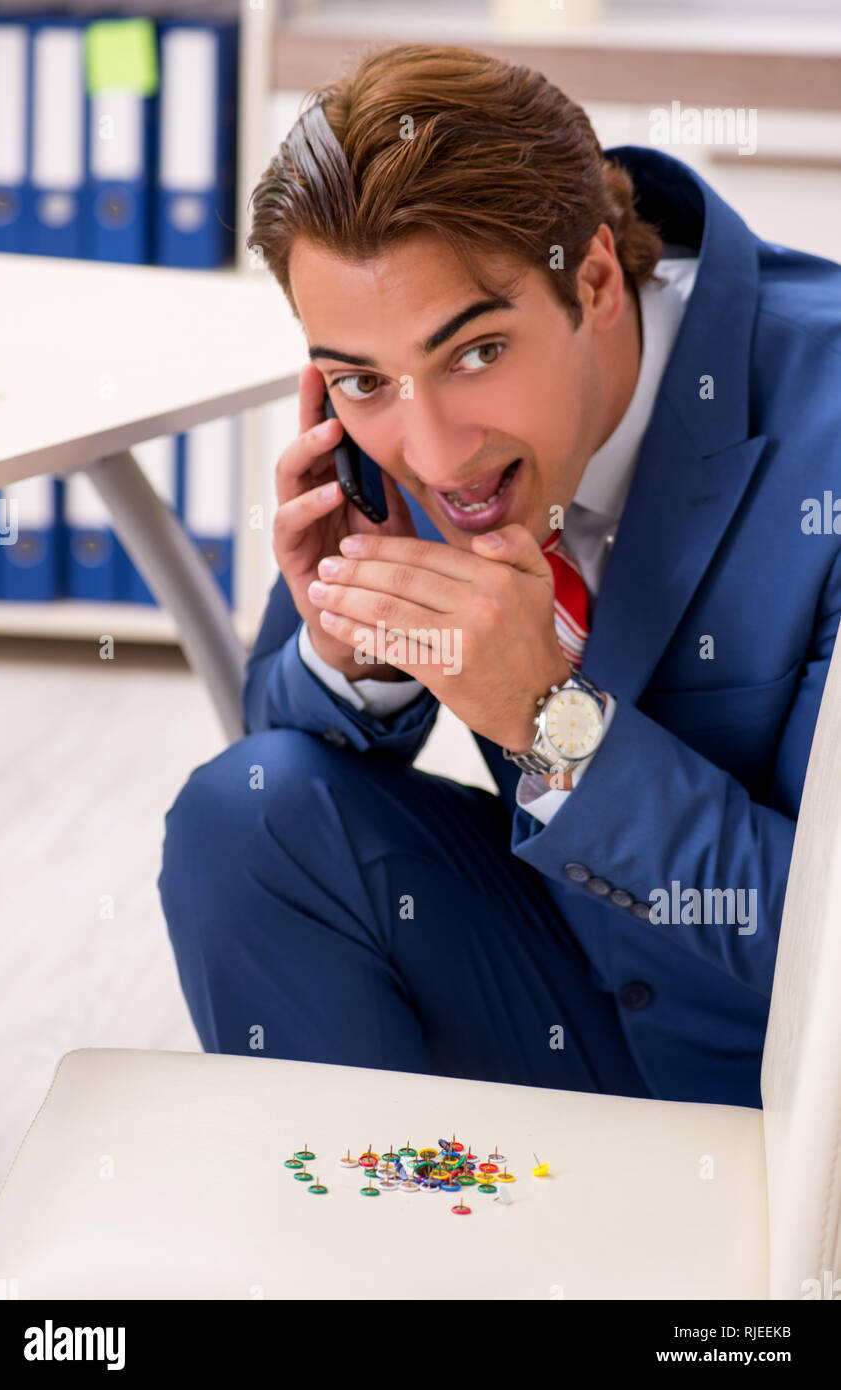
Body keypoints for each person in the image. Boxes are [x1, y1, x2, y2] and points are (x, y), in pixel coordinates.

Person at [158, 44, 841, 1109]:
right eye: (362, 378)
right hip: (577, 993)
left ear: (599, 280)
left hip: (798, 1081)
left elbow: (827, 950)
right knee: (248, 817)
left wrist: (548, 717)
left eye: (475, 353)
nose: (431, 454)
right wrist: (350, 650)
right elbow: (274, 741)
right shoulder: (389, 439)